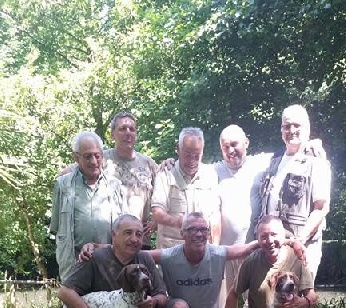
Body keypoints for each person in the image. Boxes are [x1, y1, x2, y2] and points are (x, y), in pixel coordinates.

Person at [252, 104, 331, 282]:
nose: (291, 130)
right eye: (287, 126)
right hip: (273, 247)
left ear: (307, 129)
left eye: (297, 125)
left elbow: (321, 208)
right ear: (281, 130)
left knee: (296, 302)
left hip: (302, 247)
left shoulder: (317, 163)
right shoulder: (273, 162)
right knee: (270, 302)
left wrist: (299, 240)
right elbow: (238, 162)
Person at [214, 124, 272, 308]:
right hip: (226, 251)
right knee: (227, 301)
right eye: (225, 145)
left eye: (235, 144)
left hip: (253, 249)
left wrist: (312, 144)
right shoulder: (213, 170)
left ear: (246, 142)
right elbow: (187, 164)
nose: (231, 150)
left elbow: (289, 150)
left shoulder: (261, 164)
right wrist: (167, 163)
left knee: (253, 300)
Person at [59, 112, 157, 248]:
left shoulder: (148, 164)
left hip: (140, 239)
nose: (128, 133)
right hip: (112, 242)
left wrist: (156, 222)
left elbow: (165, 195)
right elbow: (66, 174)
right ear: (112, 134)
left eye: (132, 129)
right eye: (122, 129)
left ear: (136, 134)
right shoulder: (99, 159)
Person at [50, 131, 126, 282]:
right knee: (74, 303)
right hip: (74, 264)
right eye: (87, 156)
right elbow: (57, 227)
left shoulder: (115, 185)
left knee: (105, 304)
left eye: (97, 155)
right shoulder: (62, 185)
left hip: (108, 263)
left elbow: (122, 229)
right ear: (76, 157)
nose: (93, 161)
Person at [151, 127, 221, 247]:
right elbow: (157, 213)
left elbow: (215, 215)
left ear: (202, 151)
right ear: (178, 149)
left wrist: (215, 247)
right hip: (172, 250)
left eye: (197, 155)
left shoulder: (210, 174)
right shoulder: (166, 174)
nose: (192, 160)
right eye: (187, 155)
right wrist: (184, 223)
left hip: (203, 250)